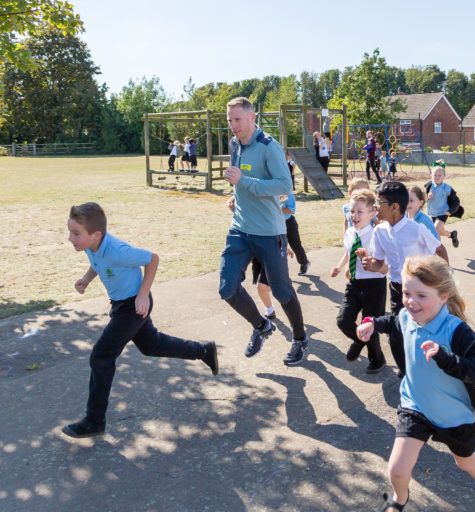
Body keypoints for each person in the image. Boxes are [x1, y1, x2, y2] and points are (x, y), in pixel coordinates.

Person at [356, 256, 475, 512]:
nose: (411, 301)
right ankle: (399, 498)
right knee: (397, 469)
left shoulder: (456, 330)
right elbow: (394, 322)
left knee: (465, 462)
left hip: (454, 415)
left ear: (443, 296)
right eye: (406, 293)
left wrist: (447, 359)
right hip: (415, 406)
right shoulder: (406, 316)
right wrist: (373, 323)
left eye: (421, 295)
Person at [62, 202, 218, 438]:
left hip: (133, 306)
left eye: (75, 233)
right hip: (122, 304)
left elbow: (152, 259)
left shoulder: (118, 250)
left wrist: (143, 294)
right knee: (151, 345)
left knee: (101, 357)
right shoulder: (91, 245)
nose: (70, 238)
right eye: (70, 231)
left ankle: (94, 421)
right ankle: (204, 351)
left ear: (96, 234)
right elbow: (97, 263)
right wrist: (87, 278)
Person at [220, 96, 309, 367]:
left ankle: (300, 338)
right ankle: (261, 326)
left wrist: (244, 182)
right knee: (227, 288)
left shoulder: (269, 147)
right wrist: (236, 194)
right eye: (230, 120)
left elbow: (284, 185)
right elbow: (242, 180)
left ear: (252, 117)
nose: (233, 125)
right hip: (240, 228)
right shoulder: (235, 144)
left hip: (269, 232)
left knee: (282, 292)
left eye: (237, 119)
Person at [362, 181, 448, 315]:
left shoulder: (416, 229)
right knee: (398, 323)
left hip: (421, 287)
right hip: (397, 288)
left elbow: (440, 249)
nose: (375, 206)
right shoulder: (379, 231)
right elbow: (379, 264)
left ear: (394, 207)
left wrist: (445, 278)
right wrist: (370, 264)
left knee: (422, 321)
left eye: (379, 202)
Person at [330, 189, 387, 373]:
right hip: (354, 283)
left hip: (375, 286)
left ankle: (377, 359)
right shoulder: (349, 233)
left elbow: (385, 266)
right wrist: (340, 267)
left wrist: (372, 263)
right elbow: (348, 252)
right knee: (343, 320)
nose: (354, 215)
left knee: (369, 326)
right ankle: (358, 340)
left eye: (359, 212)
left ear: (372, 213)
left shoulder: (378, 235)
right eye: (352, 211)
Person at [425, 160, 460, 248]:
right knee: (440, 231)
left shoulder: (447, 188)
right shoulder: (429, 186)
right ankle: (452, 235)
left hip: (443, 212)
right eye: (435, 175)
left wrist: (450, 211)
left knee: (436, 230)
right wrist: (427, 196)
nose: (437, 177)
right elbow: (422, 199)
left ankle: (438, 250)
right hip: (432, 213)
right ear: (431, 176)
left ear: (444, 176)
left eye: (439, 175)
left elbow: (456, 201)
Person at [281, 192, 311, 275]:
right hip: (275, 223)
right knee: (278, 247)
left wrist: (275, 208)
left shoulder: (288, 193)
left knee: (295, 245)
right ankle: (281, 272)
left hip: (288, 223)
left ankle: (304, 263)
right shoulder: (270, 192)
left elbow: (291, 210)